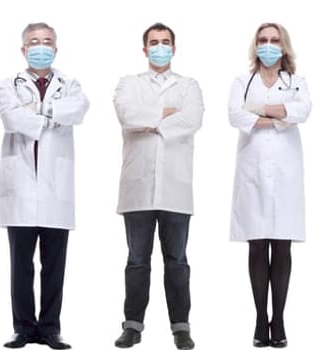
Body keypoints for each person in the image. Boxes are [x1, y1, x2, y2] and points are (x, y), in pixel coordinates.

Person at [0, 22, 89, 350]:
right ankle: (23, 328)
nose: (40, 47)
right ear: (23, 49)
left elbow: (78, 110)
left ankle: (49, 329)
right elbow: (12, 119)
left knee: (53, 266)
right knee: (21, 266)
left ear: (56, 48)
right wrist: (52, 118)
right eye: (33, 42)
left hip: (56, 190)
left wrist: (37, 110)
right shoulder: (8, 86)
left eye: (47, 41)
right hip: (19, 189)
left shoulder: (70, 85)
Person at [111, 22, 205, 350]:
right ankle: (132, 326)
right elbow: (127, 115)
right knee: (137, 259)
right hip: (137, 187)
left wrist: (150, 120)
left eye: (165, 42)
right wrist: (166, 115)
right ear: (144, 49)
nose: (160, 47)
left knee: (177, 259)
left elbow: (192, 119)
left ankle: (181, 327)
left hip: (175, 188)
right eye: (154, 42)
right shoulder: (128, 84)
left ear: (174, 49)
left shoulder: (189, 85)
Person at [229, 22, 312, 349]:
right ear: (255, 45)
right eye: (263, 40)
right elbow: (235, 115)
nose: (268, 45)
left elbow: (303, 111)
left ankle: (278, 320)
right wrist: (280, 116)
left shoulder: (297, 81)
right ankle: (259, 319)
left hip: (286, 169)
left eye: (274, 40)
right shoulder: (242, 81)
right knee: (256, 243)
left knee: (282, 244)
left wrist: (258, 110)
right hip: (251, 169)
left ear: (284, 46)